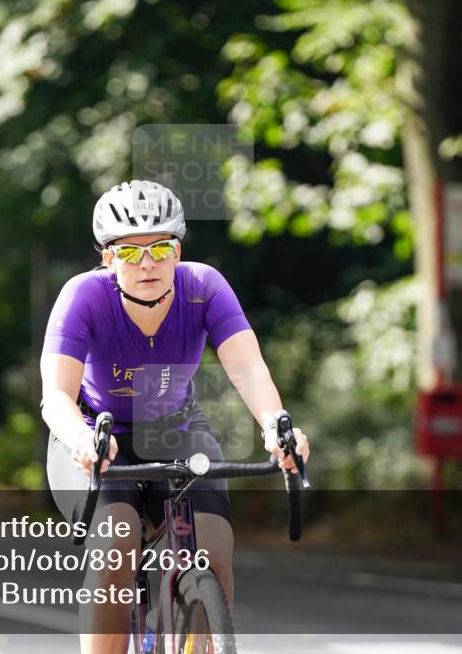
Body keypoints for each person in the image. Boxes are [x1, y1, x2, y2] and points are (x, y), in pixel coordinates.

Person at [40, 180, 310, 654]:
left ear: (177, 251)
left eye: (160, 248)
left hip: (177, 428)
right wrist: (82, 441)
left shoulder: (203, 287)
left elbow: (247, 368)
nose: (147, 263)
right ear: (107, 259)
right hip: (94, 435)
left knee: (213, 542)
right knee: (116, 539)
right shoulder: (82, 296)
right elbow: (55, 397)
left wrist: (276, 427)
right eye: (129, 253)